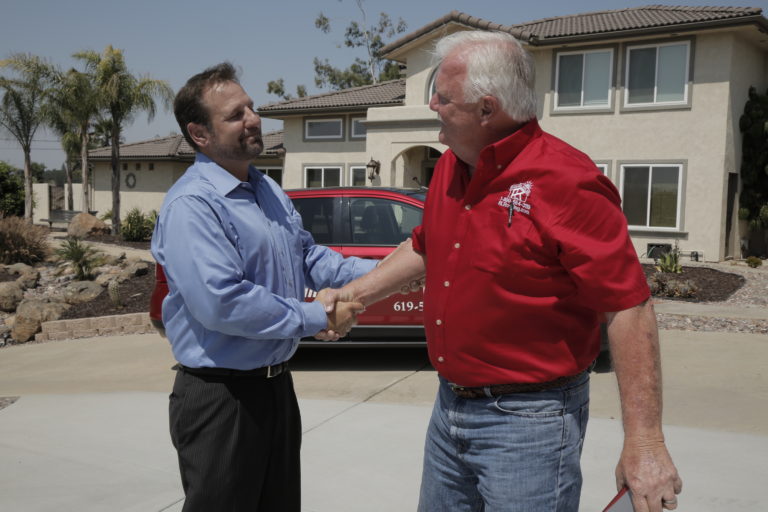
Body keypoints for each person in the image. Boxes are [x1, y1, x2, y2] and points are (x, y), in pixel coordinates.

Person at [324, 31, 682, 511]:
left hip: (529, 422)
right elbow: (426, 245)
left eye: (443, 97)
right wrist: (355, 294)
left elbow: (628, 307)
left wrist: (645, 443)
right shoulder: (452, 165)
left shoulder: (567, 182)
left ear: (487, 110)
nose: (431, 104)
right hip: (450, 406)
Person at [151, 62, 375, 511]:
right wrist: (319, 316)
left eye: (251, 108)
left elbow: (308, 256)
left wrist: (385, 272)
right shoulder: (193, 206)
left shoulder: (266, 188)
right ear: (200, 134)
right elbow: (224, 302)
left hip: (274, 389)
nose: (253, 119)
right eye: (236, 115)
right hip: (221, 400)